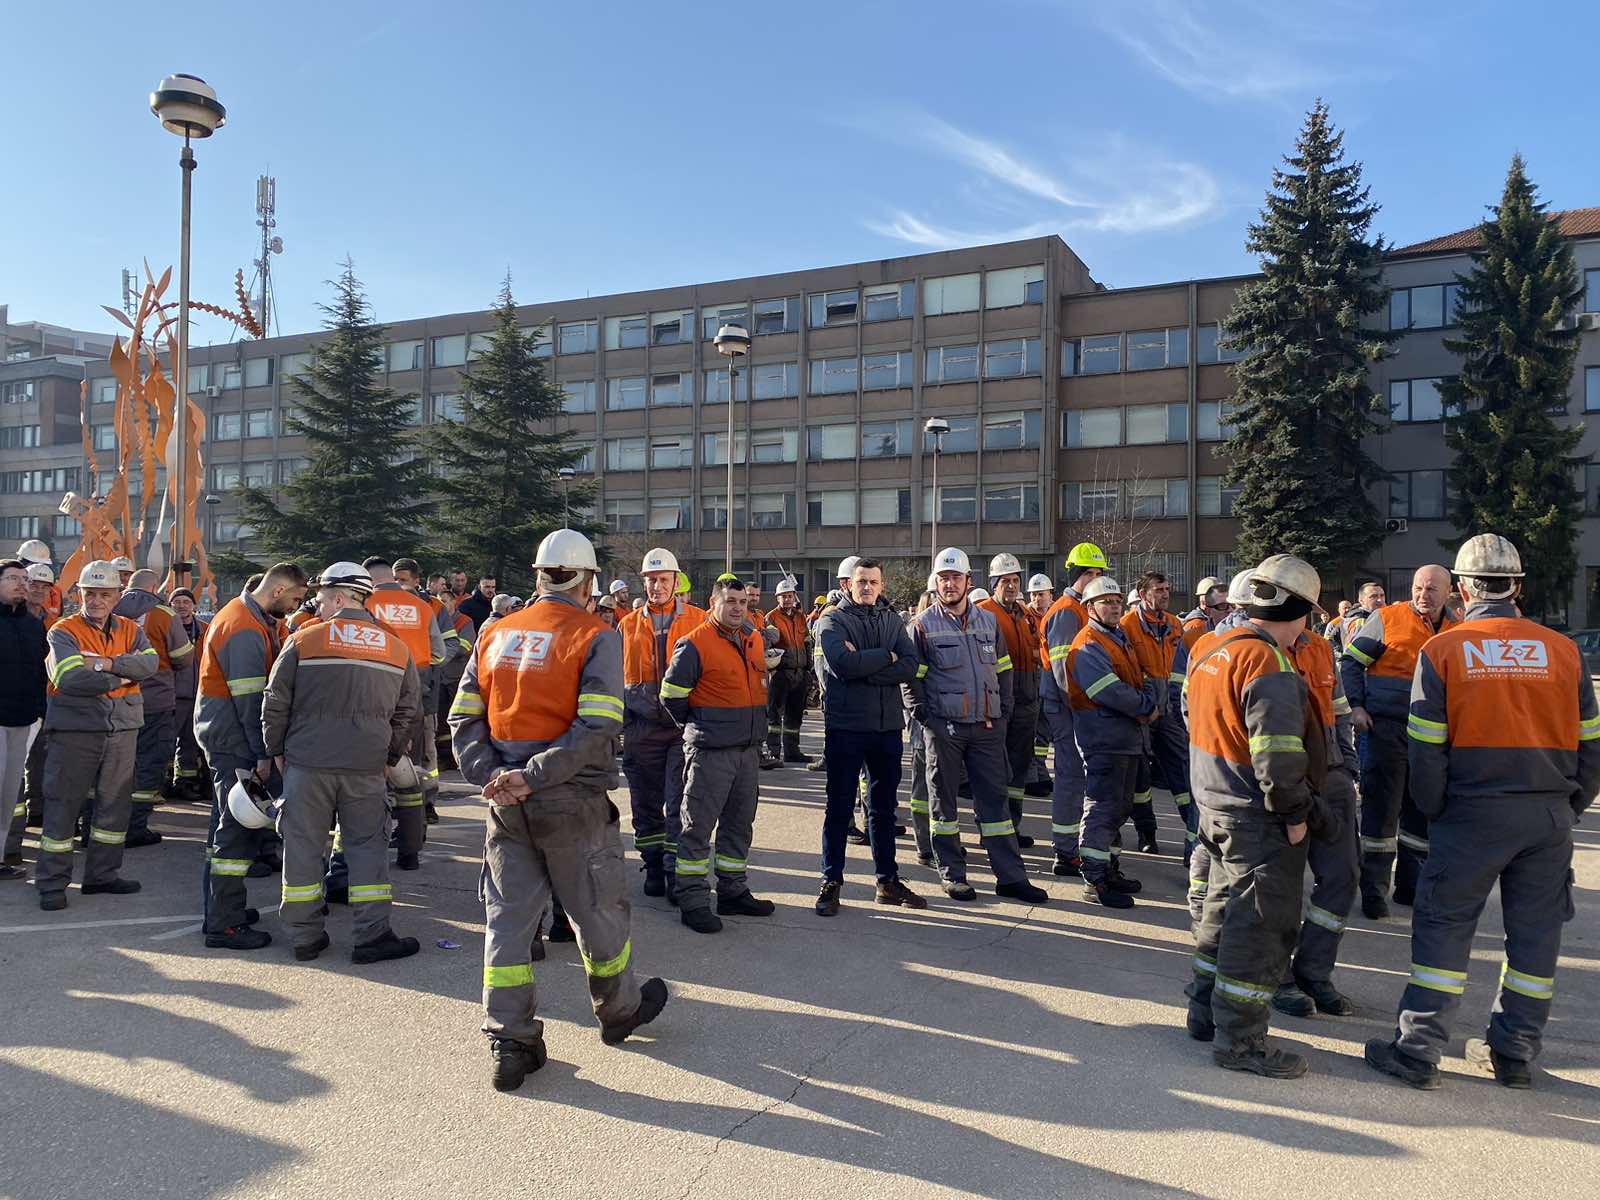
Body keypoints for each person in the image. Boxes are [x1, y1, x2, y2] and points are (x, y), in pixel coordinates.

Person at [1366, 535, 1600, 1092]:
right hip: (1546, 815)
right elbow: (1592, 745)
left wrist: (1437, 809)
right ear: (1516, 586)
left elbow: (1426, 750)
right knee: (1535, 938)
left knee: (1445, 930)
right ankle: (1516, 1054)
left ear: (1464, 586)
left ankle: (1419, 1050)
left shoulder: (1444, 650)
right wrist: (1568, 805)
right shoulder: (1563, 651)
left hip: (1470, 813)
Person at [450, 529, 667, 1091]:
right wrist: (535, 775)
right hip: (569, 801)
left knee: (508, 921)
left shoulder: (494, 632)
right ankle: (619, 1012)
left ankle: (510, 1037)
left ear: (540, 573)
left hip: (506, 804)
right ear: (588, 579)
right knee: (597, 910)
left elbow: (462, 719)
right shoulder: (595, 635)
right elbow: (598, 725)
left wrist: (493, 776)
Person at [1185, 554, 1329, 1079]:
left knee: (1220, 914)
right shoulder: (1268, 662)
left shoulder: (1209, 647)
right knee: (1260, 929)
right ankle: (1242, 1041)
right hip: (1256, 815)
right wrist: (1294, 814)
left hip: (1214, 804)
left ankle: (1204, 1012)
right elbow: (1278, 754)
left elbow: (1191, 719)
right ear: (1301, 611)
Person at [265, 562, 422, 964]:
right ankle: (372, 937)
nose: (315, 604)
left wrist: (277, 750)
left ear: (339, 597)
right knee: (367, 850)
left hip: (306, 763)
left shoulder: (303, 640)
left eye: (319, 597)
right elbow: (408, 712)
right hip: (367, 767)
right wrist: (388, 757)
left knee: (302, 849)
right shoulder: (395, 647)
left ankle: (305, 938)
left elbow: (275, 700)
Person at [905, 548, 1046, 905]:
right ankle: (953, 874)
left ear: (969, 581)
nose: (949, 584)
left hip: (987, 728)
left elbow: (1003, 670)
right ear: (935, 583)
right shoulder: (922, 626)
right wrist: (929, 721)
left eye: (956, 577)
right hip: (946, 730)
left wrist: (1002, 715)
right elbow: (911, 681)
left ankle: (1011, 877)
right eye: (943, 578)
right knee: (945, 805)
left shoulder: (988, 623)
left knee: (995, 805)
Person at [196, 563, 309, 949]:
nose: (296, 607)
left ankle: (220, 910)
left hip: (227, 735)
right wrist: (263, 754)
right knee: (235, 831)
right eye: (294, 599)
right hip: (235, 740)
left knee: (224, 828)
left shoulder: (254, 620)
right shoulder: (243, 628)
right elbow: (249, 702)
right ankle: (223, 925)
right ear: (277, 591)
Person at [33, 560, 157, 911]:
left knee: (114, 806)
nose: (97, 600)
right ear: (80, 594)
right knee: (63, 804)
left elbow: (149, 665)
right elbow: (70, 678)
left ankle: (102, 875)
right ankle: (52, 883)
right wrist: (123, 672)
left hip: (122, 729)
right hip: (76, 731)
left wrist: (103, 664)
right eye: (91, 593)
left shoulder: (131, 629)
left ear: (118, 595)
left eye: (105, 594)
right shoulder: (63, 630)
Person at [658, 575, 776, 933]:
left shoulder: (753, 639)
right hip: (710, 753)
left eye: (742, 602)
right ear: (714, 604)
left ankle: (732, 891)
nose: (738, 607)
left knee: (739, 826)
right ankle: (693, 899)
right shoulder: (693, 644)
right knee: (696, 828)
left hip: (747, 752)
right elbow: (671, 696)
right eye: (730, 602)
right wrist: (701, 727)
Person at [1264, 603, 1362, 1019]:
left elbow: (1339, 709)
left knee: (1342, 877)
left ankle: (1314, 971)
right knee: (1280, 886)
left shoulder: (1320, 647)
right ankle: (1278, 977)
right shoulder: (1254, 650)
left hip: (1332, 774)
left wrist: (1349, 765)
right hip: (1285, 778)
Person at [1341, 565, 1455, 919]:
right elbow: (1350, 663)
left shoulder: (1458, 627)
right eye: (1419, 587)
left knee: (1421, 814)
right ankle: (1374, 893)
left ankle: (1410, 888)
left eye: (1433, 589)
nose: (1424, 595)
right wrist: (1356, 707)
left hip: (1433, 737)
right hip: (1386, 730)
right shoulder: (1386, 618)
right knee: (1381, 813)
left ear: (1449, 591)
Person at [813, 558, 923, 916]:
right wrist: (885, 659)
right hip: (846, 727)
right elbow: (842, 666)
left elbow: (910, 664)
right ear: (848, 584)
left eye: (873, 582)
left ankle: (887, 881)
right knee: (840, 807)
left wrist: (868, 668)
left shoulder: (892, 620)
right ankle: (831, 882)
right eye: (861, 581)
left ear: (881, 585)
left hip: (887, 728)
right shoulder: (831, 620)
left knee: (883, 810)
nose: (867, 587)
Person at [616, 548, 704, 899]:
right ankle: (652, 865)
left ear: (675, 581)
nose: (656, 586)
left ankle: (671, 870)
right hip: (641, 728)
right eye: (651, 580)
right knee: (644, 803)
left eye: (663, 580)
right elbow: (614, 678)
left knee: (678, 800)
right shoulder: (626, 623)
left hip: (680, 729)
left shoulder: (698, 620)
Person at [1068, 577, 1156, 907]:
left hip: (1125, 738)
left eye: (1117, 599)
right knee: (1102, 808)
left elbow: (1140, 678)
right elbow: (1108, 690)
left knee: (1119, 808)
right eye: (1106, 601)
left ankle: (1110, 869)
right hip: (1103, 739)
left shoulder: (1117, 637)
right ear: (1090, 607)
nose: (1115, 605)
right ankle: (1095, 880)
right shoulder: (1088, 643)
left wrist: (1146, 699)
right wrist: (1147, 706)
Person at [365, 556, 446, 868]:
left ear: (370, 580)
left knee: (372, 775)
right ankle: (411, 848)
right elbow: (438, 652)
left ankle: (374, 839)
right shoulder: (422, 606)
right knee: (408, 773)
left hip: (376, 696)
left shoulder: (366, 603)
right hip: (413, 698)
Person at [113, 568, 192, 848]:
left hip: (115, 699)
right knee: (149, 764)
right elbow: (183, 658)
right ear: (155, 586)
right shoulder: (164, 615)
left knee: (111, 765)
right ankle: (135, 827)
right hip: (156, 702)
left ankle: (93, 826)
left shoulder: (111, 608)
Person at [1040, 542, 1106, 877]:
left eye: (1098, 573)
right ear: (1075, 574)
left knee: (1077, 775)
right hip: (1068, 705)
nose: (1094, 579)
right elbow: (1063, 670)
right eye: (1088, 573)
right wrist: (1082, 706)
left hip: (1077, 705)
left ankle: (1071, 846)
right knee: (1069, 776)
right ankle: (1065, 852)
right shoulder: (1068, 610)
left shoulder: (1083, 607)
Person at [1118, 571, 1195, 860]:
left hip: (1170, 713)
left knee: (1183, 772)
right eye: (1159, 589)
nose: (1165, 594)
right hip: (1141, 714)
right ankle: (1146, 833)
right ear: (1143, 594)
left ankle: (1194, 837)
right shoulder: (1126, 626)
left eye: (1167, 589)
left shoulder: (1176, 625)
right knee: (1140, 779)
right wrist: (1141, 707)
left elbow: (1182, 672)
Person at [978, 554, 1042, 847]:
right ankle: (990, 827)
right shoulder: (983, 613)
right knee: (993, 770)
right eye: (1005, 581)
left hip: (1027, 703)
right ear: (994, 584)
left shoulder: (1026, 614)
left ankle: (1012, 826)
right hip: (998, 704)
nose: (1012, 586)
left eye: (1016, 580)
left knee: (1018, 768)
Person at [1, 560, 47, 879]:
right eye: (13, 578)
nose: (22, 583)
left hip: (24, 720)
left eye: (24, 579)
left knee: (7, 794)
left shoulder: (33, 625)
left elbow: (40, 672)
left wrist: (41, 711)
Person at [168, 588, 210, 802]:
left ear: (193, 605)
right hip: (172, 694)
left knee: (190, 742)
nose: (181, 605)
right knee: (165, 742)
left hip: (197, 693)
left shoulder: (204, 629)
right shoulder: (166, 627)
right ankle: (158, 784)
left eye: (186, 601)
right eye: (177, 602)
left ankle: (184, 783)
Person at [765, 577, 812, 765]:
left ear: (794, 597)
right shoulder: (771, 618)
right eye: (783, 596)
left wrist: (808, 669)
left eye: (789, 596)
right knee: (774, 715)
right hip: (780, 673)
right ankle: (773, 752)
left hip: (799, 673)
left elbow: (807, 642)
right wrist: (773, 670)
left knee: (795, 715)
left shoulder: (801, 617)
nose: (786, 599)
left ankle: (792, 751)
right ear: (777, 598)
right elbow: (768, 646)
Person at [1329, 581, 1385, 658]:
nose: (1380, 600)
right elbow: (1357, 656)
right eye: (1373, 596)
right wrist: (1340, 655)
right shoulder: (1360, 621)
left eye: (1382, 596)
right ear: (1361, 600)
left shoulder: (1373, 617)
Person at [1182, 577, 1231, 652]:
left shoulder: (1242, 632)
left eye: (1233, 605)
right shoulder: (1194, 628)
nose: (1230, 610)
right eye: (1222, 606)